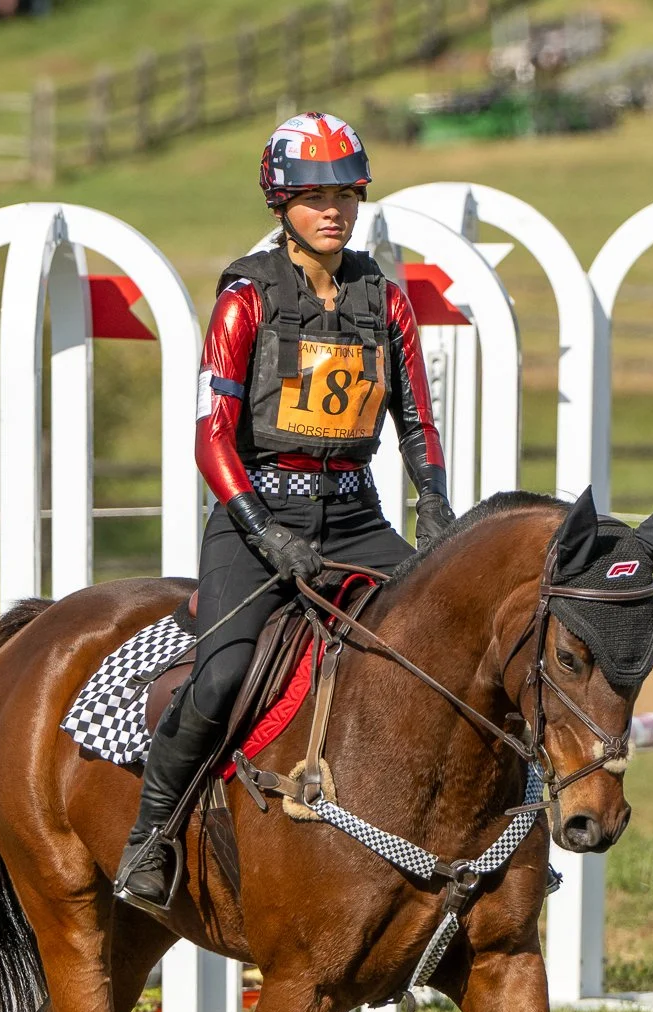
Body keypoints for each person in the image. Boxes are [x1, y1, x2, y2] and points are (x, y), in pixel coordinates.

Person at [115, 111, 454, 913]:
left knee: (452, 647)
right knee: (227, 670)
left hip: (358, 518)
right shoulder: (245, 301)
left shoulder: (386, 298)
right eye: (313, 196)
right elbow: (209, 437)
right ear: (281, 204)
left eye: (346, 194)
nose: (332, 209)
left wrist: (433, 501)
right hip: (254, 516)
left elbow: (416, 420)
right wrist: (262, 530)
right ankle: (150, 835)